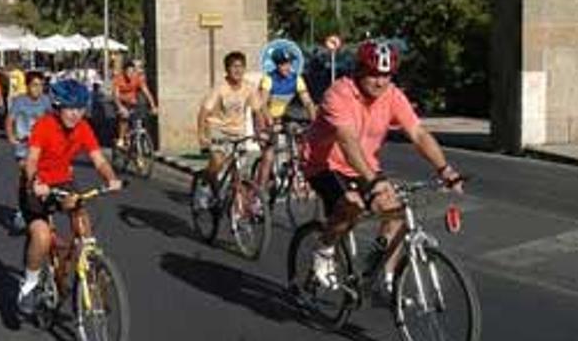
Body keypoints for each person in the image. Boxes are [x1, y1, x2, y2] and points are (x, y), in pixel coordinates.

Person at [303, 39, 464, 298]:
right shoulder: (339, 93)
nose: (380, 82)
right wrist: (373, 180)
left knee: (395, 211)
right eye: (374, 74)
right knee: (351, 204)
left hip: (363, 166)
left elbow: (418, 133)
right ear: (359, 71)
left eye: (386, 75)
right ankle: (324, 250)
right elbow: (347, 141)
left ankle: (387, 279)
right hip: (324, 163)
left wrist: (444, 169)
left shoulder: (392, 95)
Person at [16, 79, 124, 314]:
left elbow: (99, 159)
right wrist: (36, 182)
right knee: (42, 236)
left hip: (64, 181)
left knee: (84, 226)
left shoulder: (83, 128)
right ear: (57, 107)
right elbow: (32, 160)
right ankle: (30, 284)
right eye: (70, 108)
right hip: (38, 184)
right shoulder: (44, 126)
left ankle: (90, 275)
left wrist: (111, 178)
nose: (76, 114)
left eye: (80, 108)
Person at [194, 51, 263, 208]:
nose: (237, 70)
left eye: (240, 66)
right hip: (218, 129)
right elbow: (204, 112)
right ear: (227, 69)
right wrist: (201, 134)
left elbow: (257, 111)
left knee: (240, 172)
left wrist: (261, 132)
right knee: (217, 162)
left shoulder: (249, 88)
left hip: (238, 132)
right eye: (233, 67)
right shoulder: (220, 88)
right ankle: (204, 186)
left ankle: (240, 207)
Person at [255, 47, 317, 188]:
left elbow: (307, 101)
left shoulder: (296, 79)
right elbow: (262, 104)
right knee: (268, 156)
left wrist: (314, 120)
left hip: (283, 118)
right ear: (277, 65)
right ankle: (259, 192)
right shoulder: (268, 79)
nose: (286, 67)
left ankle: (293, 169)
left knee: (300, 137)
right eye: (283, 64)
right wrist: (269, 121)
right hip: (263, 118)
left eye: (289, 63)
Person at [5, 71, 52, 233]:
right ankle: (21, 211)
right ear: (27, 86)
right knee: (25, 176)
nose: (38, 89)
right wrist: (11, 137)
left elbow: (53, 120)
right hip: (24, 146)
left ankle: (41, 209)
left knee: (44, 177)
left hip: (42, 146)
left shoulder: (46, 101)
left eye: (41, 86)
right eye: (34, 85)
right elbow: (10, 120)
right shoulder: (19, 101)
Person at [113, 59, 158, 148]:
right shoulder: (118, 79)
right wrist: (120, 107)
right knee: (124, 117)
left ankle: (140, 142)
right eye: (128, 72)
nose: (130, 74)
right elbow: (115, 96)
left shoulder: (137, 78)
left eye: (132, 71)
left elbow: (147, 92)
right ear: (124, 71)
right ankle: (121, 138)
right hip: (121, 102)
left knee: (140, 117)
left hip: (133, 103)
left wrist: (153, 106)